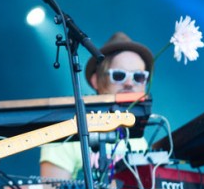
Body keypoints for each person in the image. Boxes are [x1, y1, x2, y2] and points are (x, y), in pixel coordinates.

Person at [39, 32, 153, 181]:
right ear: (96, 81)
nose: (129, 83)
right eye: (119, 76)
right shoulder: (66, 127)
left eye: (139, 77)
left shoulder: (139, 139)